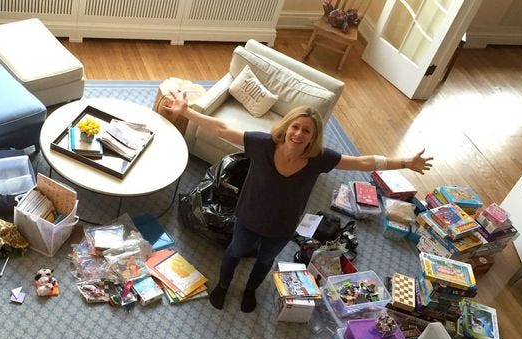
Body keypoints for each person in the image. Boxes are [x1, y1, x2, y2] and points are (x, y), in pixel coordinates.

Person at [162, 92, 433, 313]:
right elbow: (222, 128)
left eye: (307, 131)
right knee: (235, 251)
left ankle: (250, 291)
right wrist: (186, 111)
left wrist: (405, 162)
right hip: (248, 217)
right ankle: (223, 285)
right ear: (286, 127)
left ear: (313, 137)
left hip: (282, 227)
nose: (299, 134)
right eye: (296, 127)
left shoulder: (319, 159)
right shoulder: (263, 144)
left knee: (265, 261)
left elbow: (361, 162)